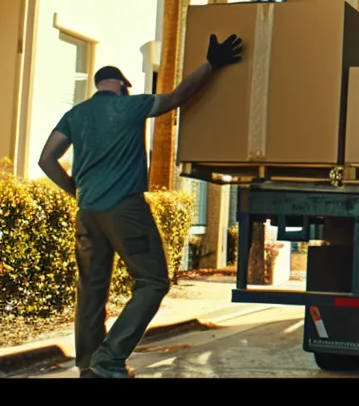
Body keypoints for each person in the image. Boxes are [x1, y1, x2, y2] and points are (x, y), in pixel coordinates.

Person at [37, 34, 245, 379]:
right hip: (125, 211)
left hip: (88, 213)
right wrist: (211, 64)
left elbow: (46, 159)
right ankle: (110, 359)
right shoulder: (129, 106)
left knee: (91, 288)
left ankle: (89, 364)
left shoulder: (75, 114)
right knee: (153, 281)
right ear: (120, 85)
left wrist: (75, 190)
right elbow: (177, 97)